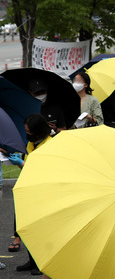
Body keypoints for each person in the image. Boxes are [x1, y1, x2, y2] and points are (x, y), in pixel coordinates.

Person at [3, 114, 53, 276]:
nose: (27, 134)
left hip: (44, 192)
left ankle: (41, 264)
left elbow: (43, 171)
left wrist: (23, 163)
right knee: (29, 228)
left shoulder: (50, 145)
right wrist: (20, 160)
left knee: (42, 230)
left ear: (38, 131)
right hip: (29, 189)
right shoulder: (32, 144)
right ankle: (32, 261)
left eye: (29, 131)